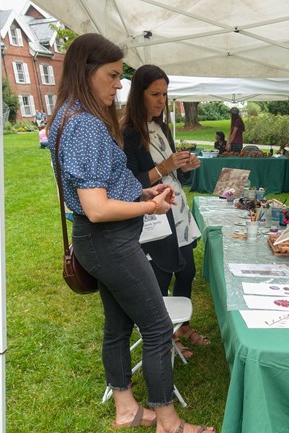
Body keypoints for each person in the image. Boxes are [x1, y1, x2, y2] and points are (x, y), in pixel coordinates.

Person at [48, 34, 214, 433]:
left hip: (99, 240)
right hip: (110, 240)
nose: (118, 84)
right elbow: (97, 206)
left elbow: (103, 187)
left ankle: (126, 408)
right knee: (157, 327)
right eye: (112, 75)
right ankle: (169, 422)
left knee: (118, 325)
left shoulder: (69, 116)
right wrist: (150, 205)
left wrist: (141, 189)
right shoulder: (85, 124)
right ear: (85, 72)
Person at [122, 65, 209, 359]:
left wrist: (184, 168)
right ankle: (164, 333)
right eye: (155, 94)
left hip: (178, 212)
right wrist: (166, 167)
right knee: (160, 276)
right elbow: (131, 183)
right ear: (139, 94)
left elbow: (173, 177)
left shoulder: (161, 127)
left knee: (188, 270)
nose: (161, 100)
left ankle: (182, 326)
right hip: (154, 217)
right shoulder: (129, 133)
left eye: (165, 94)